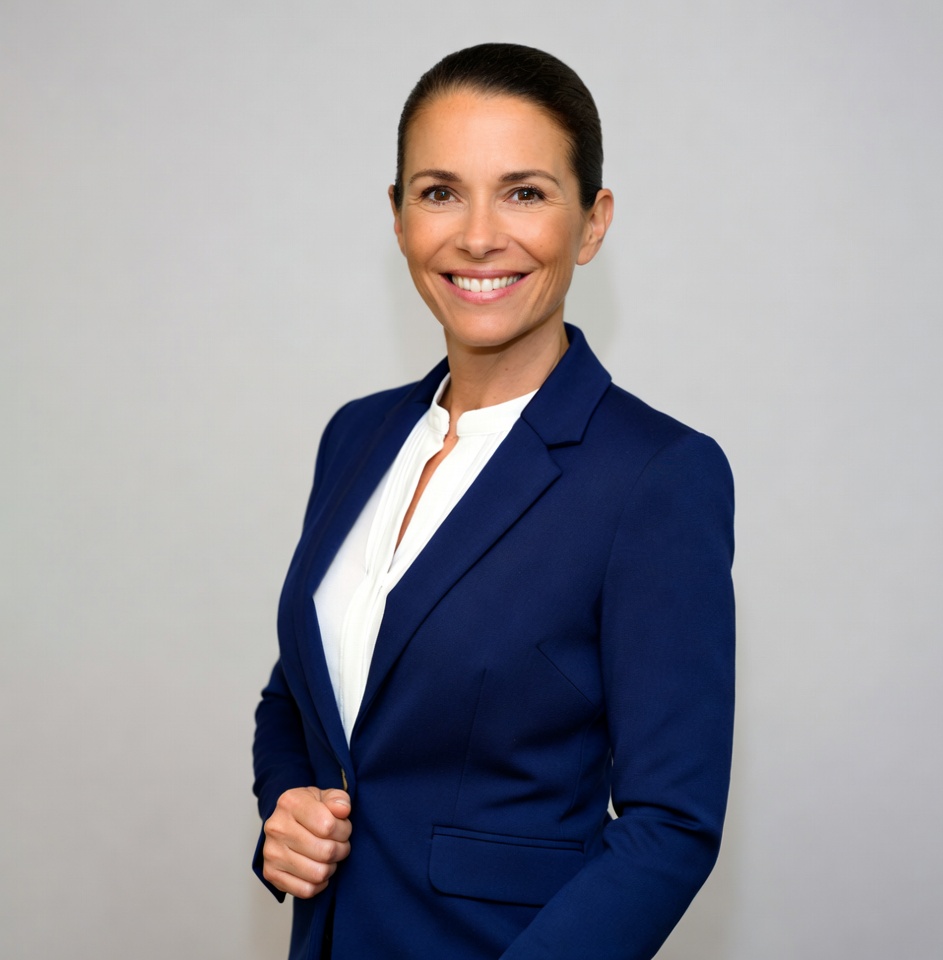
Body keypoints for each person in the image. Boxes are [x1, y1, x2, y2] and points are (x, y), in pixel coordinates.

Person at [252, 42, 735, 960]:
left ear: (591, 224)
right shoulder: (355, 437)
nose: (477, 235)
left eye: (524, 192)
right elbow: (300, 695)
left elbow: (671, 826)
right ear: (397, 219)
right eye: (439, 192)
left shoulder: (656, 475)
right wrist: (288, 804)